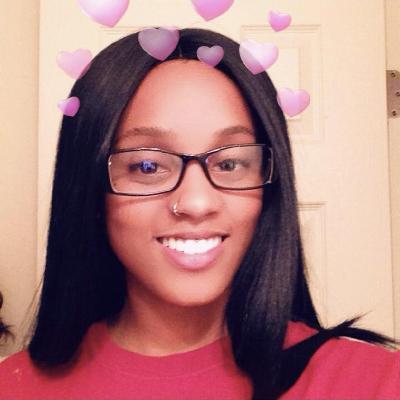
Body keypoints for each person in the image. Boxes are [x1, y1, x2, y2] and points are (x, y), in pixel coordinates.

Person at [0, 27, 399, 400]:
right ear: (89, 187)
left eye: (230, 164)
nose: (196, 203)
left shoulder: (376, 382)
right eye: (147, 166)